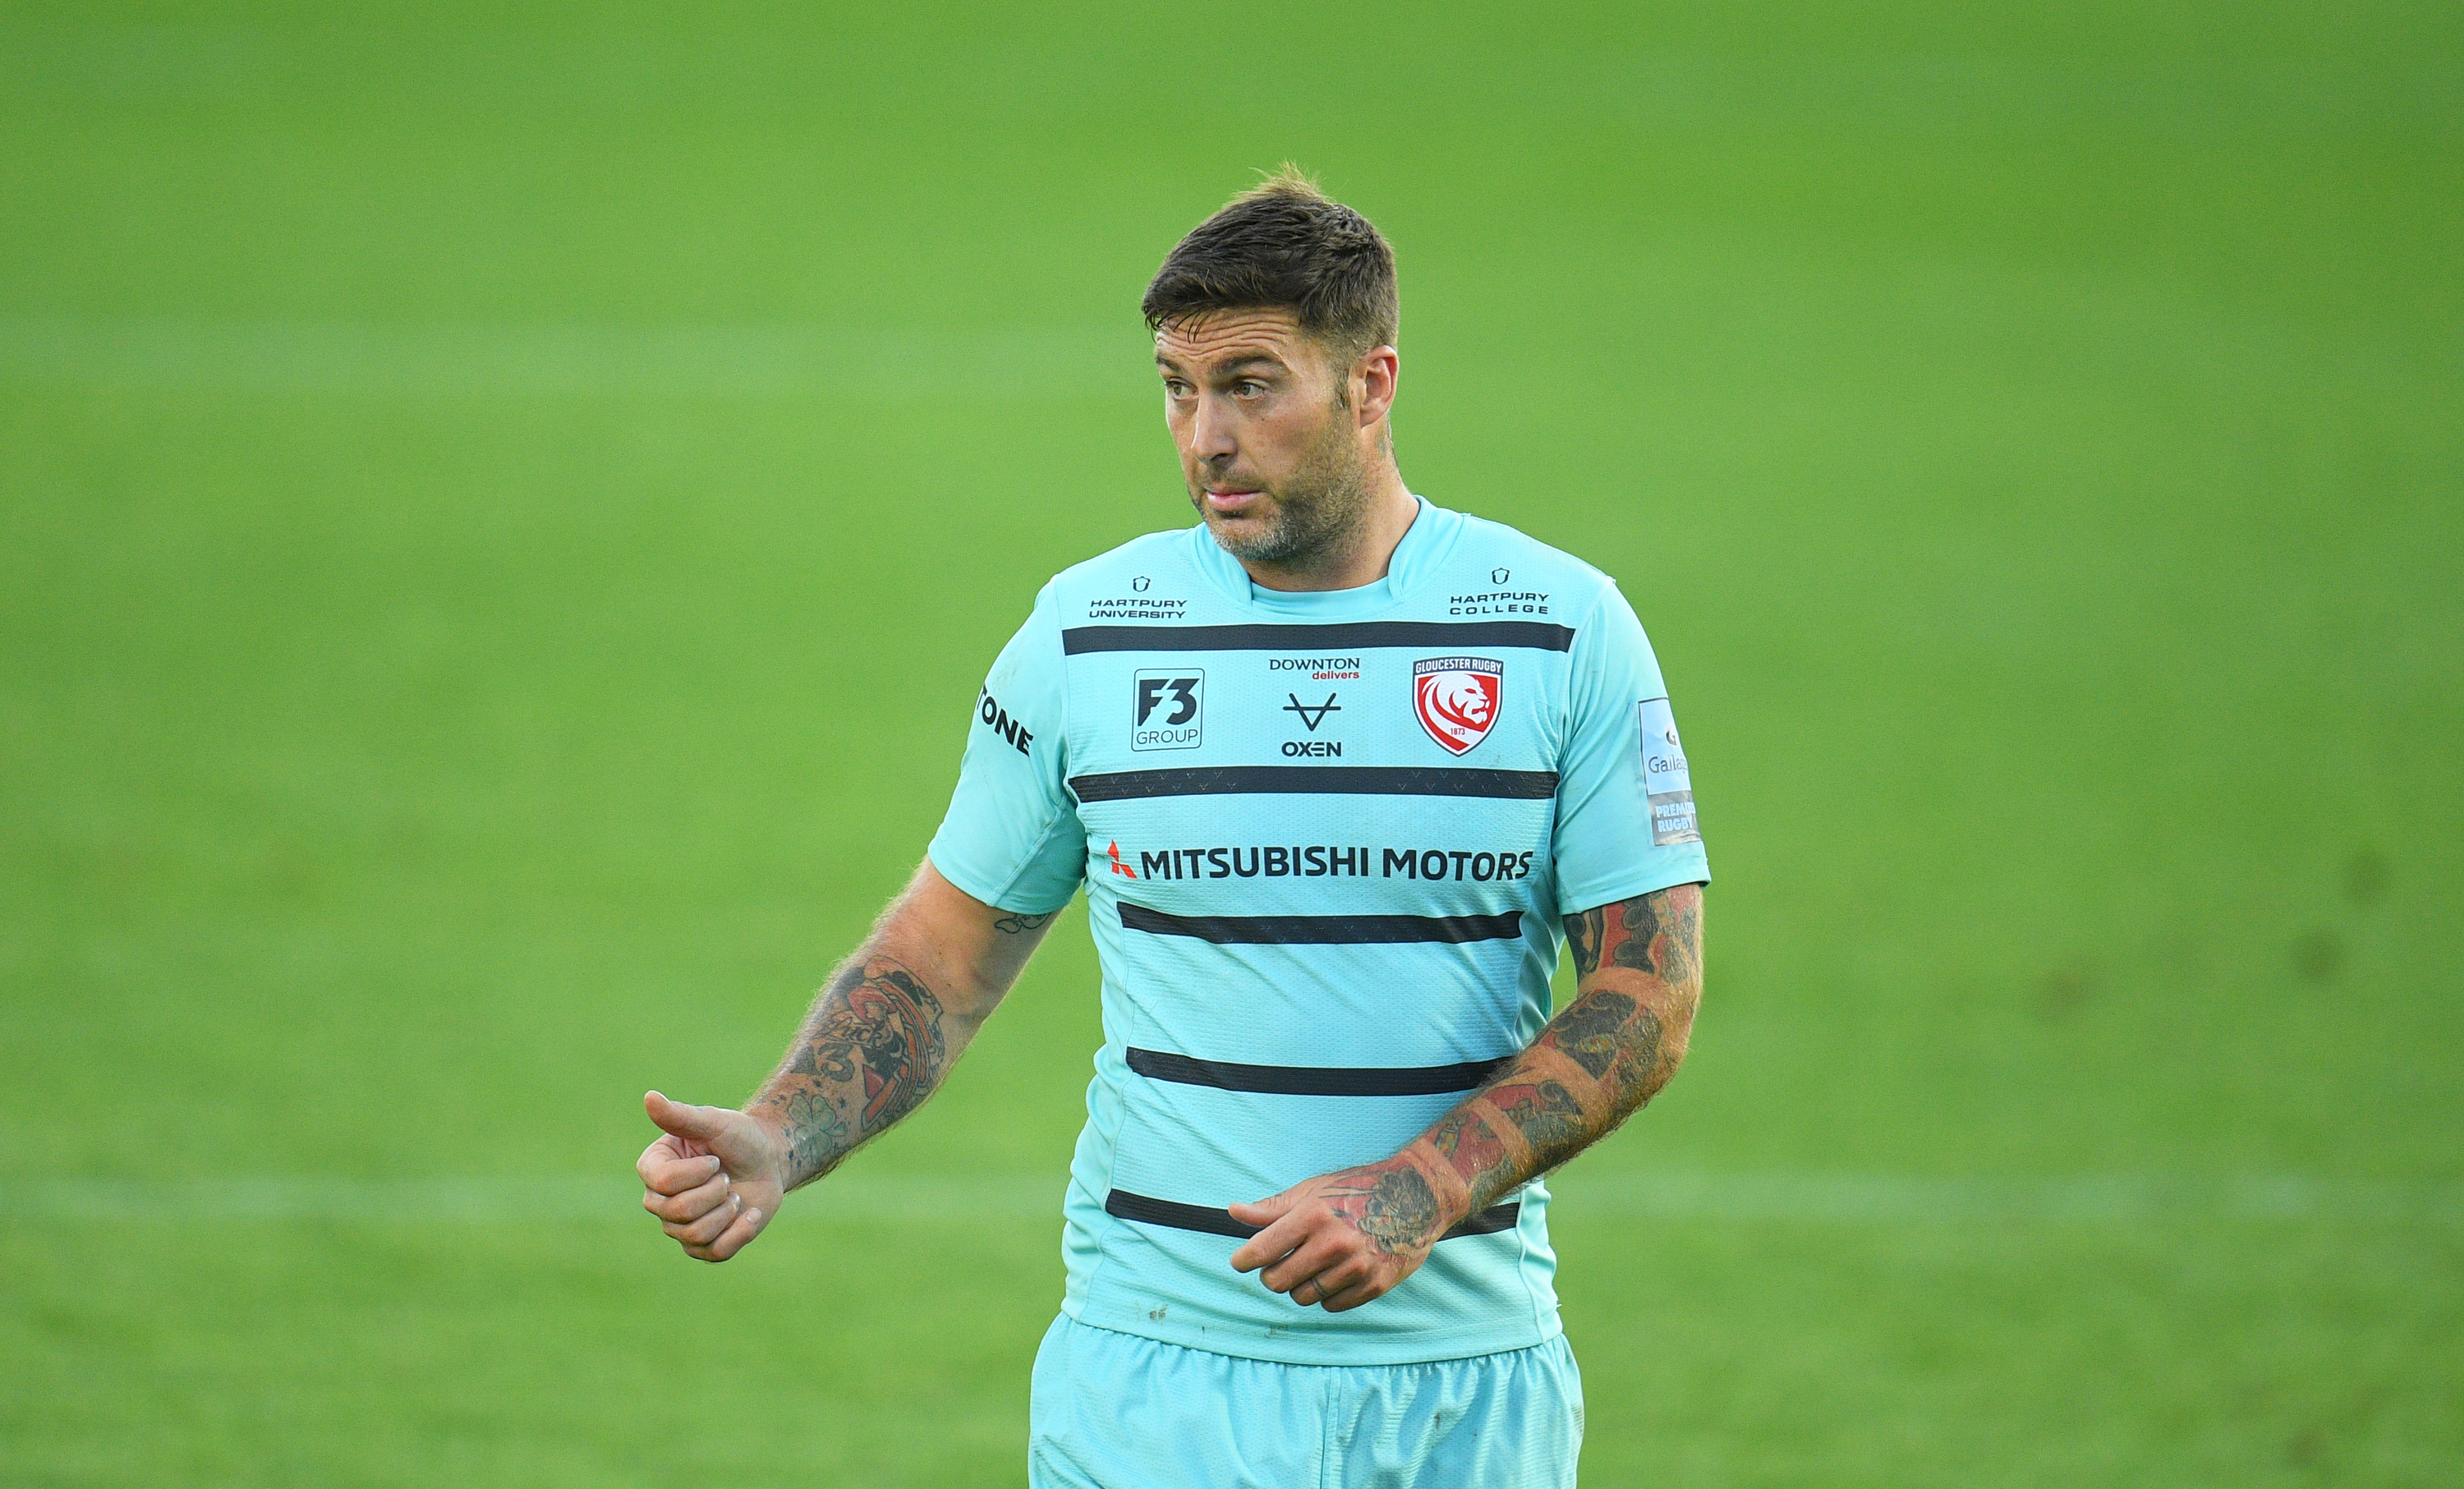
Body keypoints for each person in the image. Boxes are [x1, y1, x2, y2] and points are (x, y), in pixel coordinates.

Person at [635, 168, 1709, 1488]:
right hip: (1155, 1380)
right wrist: (782, 1131)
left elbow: (1648, 989)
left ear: (1372, 385)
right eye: (1176, 387)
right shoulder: (1091, 636)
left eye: (1251, 384)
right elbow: (940, 958)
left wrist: (1424, 1183)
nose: (1204, 434)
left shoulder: (1558, 631)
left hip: (1459, 1392)